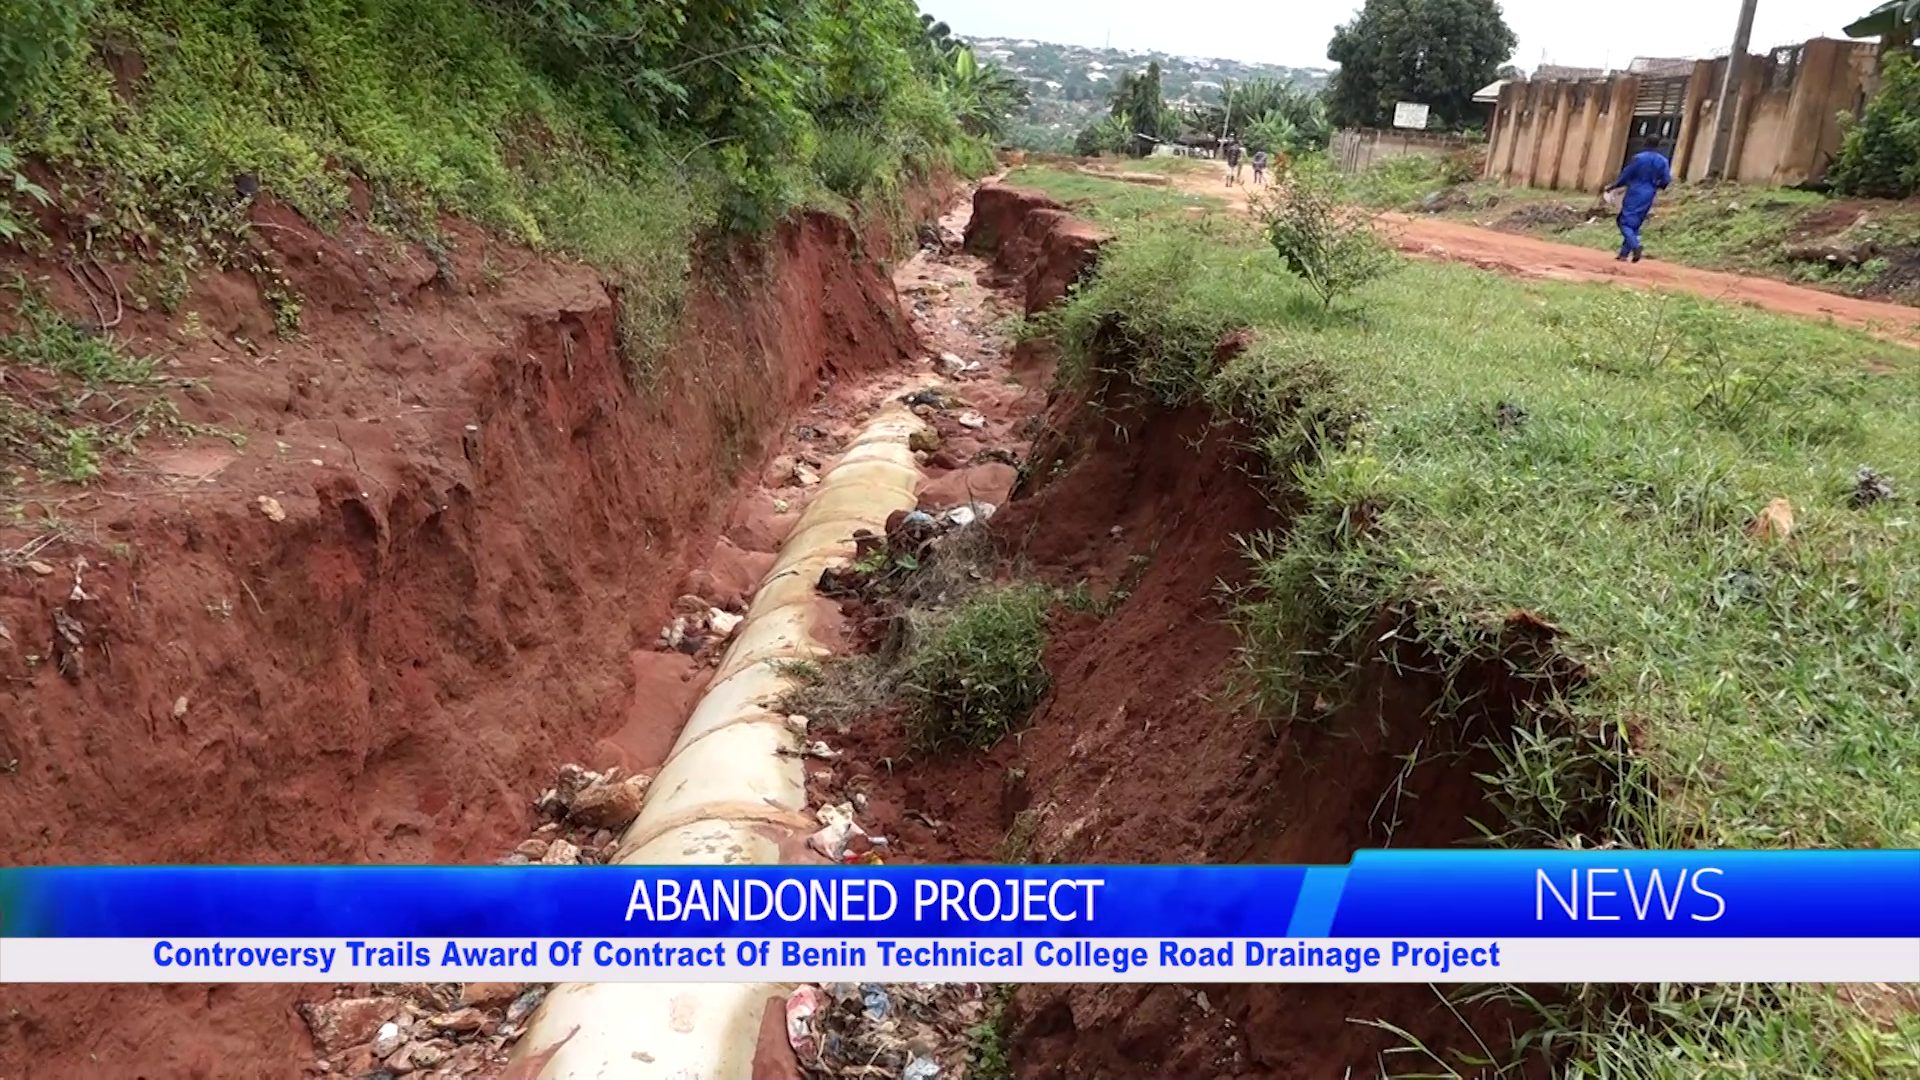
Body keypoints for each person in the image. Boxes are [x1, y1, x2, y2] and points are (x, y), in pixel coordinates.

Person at [1604, 137, 1673, 264]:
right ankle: (1623, 254)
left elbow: (1626, 175)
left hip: (1635, 191)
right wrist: (1657, 186)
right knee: (1635, 223)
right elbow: (1666, 180)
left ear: (1645, 144)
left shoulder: (1638, 158)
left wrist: (1614, 186)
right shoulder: (1663, 161)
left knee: (1623, 221)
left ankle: (1635, 246)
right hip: (1650, 193)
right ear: (1658, 146)